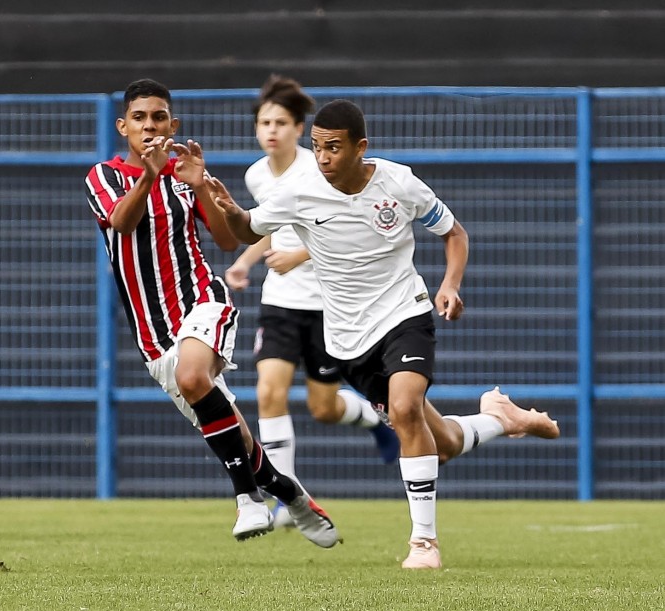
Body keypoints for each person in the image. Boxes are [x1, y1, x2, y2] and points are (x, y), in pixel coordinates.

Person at [206, 99, 560, 569]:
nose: (324, 157)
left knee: (404, 407)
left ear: (361, 148)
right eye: (318, 147)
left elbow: (455, 233)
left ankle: (424, 544)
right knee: (444, 445)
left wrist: (449, 285)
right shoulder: (299, 192)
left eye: (334, 147)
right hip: (348, 340)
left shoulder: (398, 182)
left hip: (405, 314)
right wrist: (230, 209)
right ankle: (503, 419)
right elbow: (248, 232)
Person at [84, 79, 338, 548]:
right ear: (123, 127)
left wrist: (201, 186)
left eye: (159, 117)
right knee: (237, 436)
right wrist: (149, 176)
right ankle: (291, 494)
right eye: (139, 118)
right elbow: (121, 222)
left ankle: (246, 499)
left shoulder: (185, 176)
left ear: (173, 124)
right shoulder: (105, 176)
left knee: (194, 375)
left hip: (202, 300)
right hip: (154, 336)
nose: (150, 126)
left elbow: (227, 241)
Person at [224, 76, 399, 527]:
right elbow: (270, 228)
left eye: (281, 122)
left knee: (323, 407)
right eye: (264, 122)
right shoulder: (256, 174)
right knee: (269, 391)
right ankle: (287, 493)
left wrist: (301, 254)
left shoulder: (319, 168)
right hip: (280, 303)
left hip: (326, 303)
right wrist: (246, 261)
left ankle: (376, 421)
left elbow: (342, 226)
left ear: (300, 128)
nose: (271, 131)